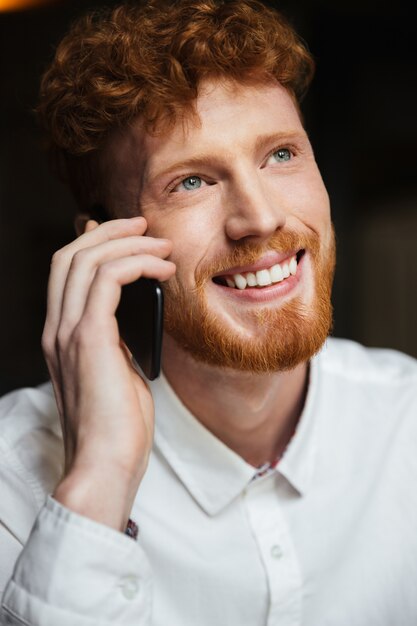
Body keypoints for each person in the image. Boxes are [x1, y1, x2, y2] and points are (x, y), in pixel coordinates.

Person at [1, 0, 416, 624]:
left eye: (280, 154)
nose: (261, 217)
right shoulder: (12, 481)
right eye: (191, 181)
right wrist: (99, 482)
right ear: (106, 246)